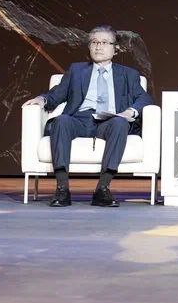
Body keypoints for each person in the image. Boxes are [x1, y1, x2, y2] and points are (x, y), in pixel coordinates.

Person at [23, 26, 150, 207]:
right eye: (94, 42)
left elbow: (144, 98)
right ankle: (62, 189)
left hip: (109, 121)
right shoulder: (76, 70)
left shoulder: (128, 74)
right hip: (79, 120)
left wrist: (130, 112)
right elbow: (57, 94)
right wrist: (41, 99)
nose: (98, 46)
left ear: (115, 49)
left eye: (104, 42)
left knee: (121, 123)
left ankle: (102, 189)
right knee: (61, 121)